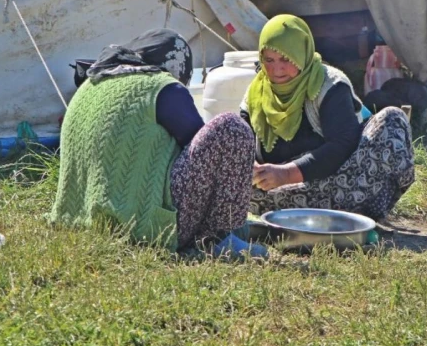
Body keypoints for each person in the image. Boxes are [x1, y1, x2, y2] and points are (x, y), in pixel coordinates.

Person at [49, 29, 267, 259]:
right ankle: (220, 238)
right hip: (145, 227)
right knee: (231, 128)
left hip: (82, 221)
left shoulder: (91, 83)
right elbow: (203, 152)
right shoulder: (162, 88)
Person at [241, 15, 415, 220]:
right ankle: (316, 214)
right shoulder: (256, 93)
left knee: (392, 119)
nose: (277, 70)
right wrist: (249, 166)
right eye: (269, 60)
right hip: (285, 192)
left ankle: (354, 212)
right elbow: (240, 137)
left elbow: (343, 145)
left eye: (286, 59)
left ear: (302, 55)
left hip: (344, 180)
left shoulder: (329, 85)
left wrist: (286, 174)